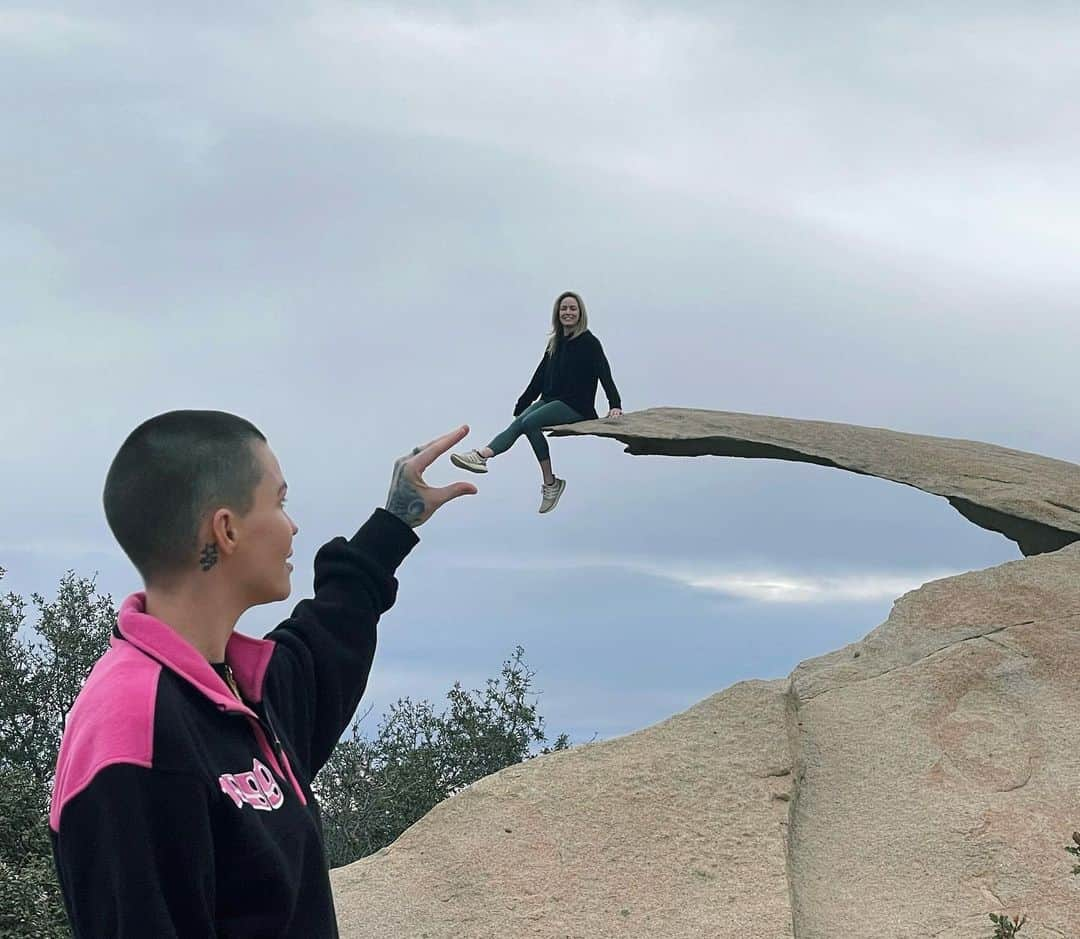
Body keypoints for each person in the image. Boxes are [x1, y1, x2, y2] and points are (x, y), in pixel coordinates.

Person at [49, 410, 476, 938]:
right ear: (226, 529)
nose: (292, 525)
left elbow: (320, 651)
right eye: (280, 501)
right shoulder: (134, 732)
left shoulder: (237, 691)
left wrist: (393, 525)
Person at [451, 290, 624, 513]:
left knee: (529, 423)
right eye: (564, 308)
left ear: (580, 313)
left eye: (572, 308)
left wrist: (615, 405)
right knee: (522, 421)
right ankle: (484, 457)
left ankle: (543, 480)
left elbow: (605, 374)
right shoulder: (555, 343)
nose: (568, 312)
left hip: (576, 406)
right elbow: (539, 377)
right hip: (551, 400)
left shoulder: (589, 342)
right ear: (557, 313)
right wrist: (522, 403)